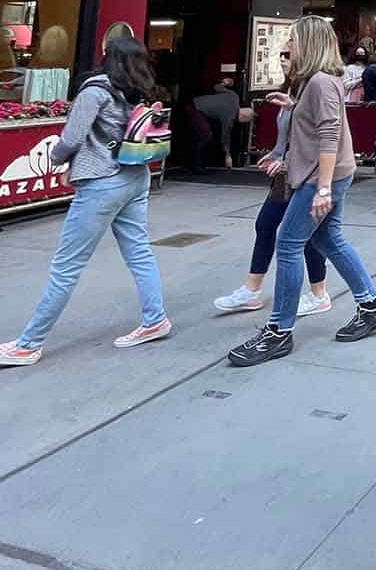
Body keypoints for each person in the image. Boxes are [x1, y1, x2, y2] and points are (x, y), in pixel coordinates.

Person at [227, 15, 376, 367]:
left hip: (321, 176)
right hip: (327, 174)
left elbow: (329, 135)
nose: (290, 46)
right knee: (328, 239)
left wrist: (324, 188)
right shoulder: (315, 83)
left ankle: (279, 331)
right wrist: (293, 107)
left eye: (294, 40)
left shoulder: (319, 82)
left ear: (310, 43)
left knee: (288, 242)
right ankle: (371, 304)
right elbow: (322, 125)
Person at [0, 35, 171, 367]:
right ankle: (155, 319)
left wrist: (56, 159)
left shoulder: (95, 91)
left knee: (66, 266)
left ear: (106, 55)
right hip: (136, 176)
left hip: (102, 182)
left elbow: (71, 137)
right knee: (139, 251)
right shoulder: (138, 92)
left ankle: (29, 344)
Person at [213, 47, 330, 317]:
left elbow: (316, 140)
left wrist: (289, 162)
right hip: (286, 175)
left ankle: (319, 293)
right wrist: (276, 155)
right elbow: (287, 138)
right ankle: (252, 290)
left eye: (289, 55)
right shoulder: (291, 93)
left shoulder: (314, 91)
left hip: (305, 175)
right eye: (282, 55)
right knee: (267, 225)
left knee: (312, 237)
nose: (283, 60)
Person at [192, 77, 250, 172]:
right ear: (242, 118)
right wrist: (228, 155)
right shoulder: (231, 116)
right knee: (207, 135)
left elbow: (216, 87)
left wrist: (224, 83)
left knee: (205, 133)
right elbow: (225, 136)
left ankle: (198, 163)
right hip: (195, 109)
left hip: (196, 103)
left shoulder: (234, 96)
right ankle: (196, 165)